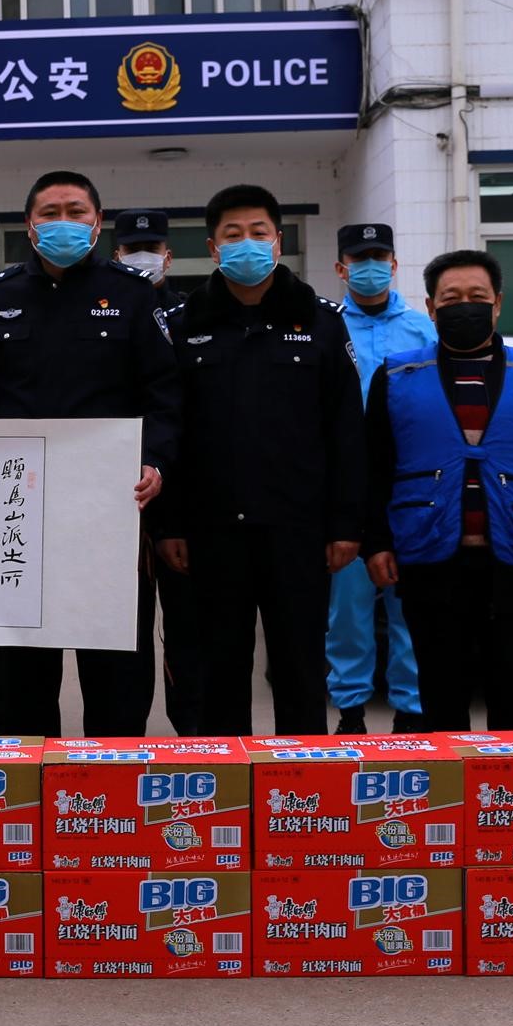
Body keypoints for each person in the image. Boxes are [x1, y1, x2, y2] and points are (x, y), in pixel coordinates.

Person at [0, 170, 181, 737]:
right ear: (30, 226)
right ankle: (25, 780)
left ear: (97, 222)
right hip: (19, 514)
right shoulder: (0, 296)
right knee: (20, 673)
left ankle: (112, 777)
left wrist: (155, 460)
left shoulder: (132, 294)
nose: (64, 223)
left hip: (110, 512)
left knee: (116, 675)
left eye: (76, 212)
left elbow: (164, 396)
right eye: (51, 213)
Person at [154, 186, 363, 735]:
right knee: (219, 672)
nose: (246, 243)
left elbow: (345, 430)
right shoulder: (181, 324)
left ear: (278, 241)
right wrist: (169, 525)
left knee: (299, 668)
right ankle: (226, 781)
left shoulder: (321, 321)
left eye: (258, 232)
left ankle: (300, 783)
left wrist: (346, 523)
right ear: (212, 247)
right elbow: (168, 433)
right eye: (233, 234)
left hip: (298, 529)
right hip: (210, 532)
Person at [362, 248, 513, 734]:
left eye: (477, 297)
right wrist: (376, 543)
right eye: (451, 298)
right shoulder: (396, 377)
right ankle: (447, 784)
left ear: (498, 304)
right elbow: (375, 469)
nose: (464, 306)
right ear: (431, 307)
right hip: (429, 557)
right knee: (439, 695)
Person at [325, 223, 432, 734]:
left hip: (408, 484)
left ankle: (411, 710)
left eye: (379, 256)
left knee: (407, 603)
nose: (370, 266)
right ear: (341, 268)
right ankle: (350, 710)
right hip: (347, 486)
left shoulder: (423, 331)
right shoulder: (326, 327)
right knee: (347, 608)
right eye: (359, 258)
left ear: (394, 264)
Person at [113, 208, 205, 734]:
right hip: (123, 495)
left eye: (152, 249)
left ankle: (190, 731)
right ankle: (127, 734)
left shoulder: (192, 317)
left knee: (187, 626)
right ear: (117, 255)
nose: (143, 257)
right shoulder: (111, 310)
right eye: (133, 249)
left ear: (169, 257)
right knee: (129, 631)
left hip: (184, 493)